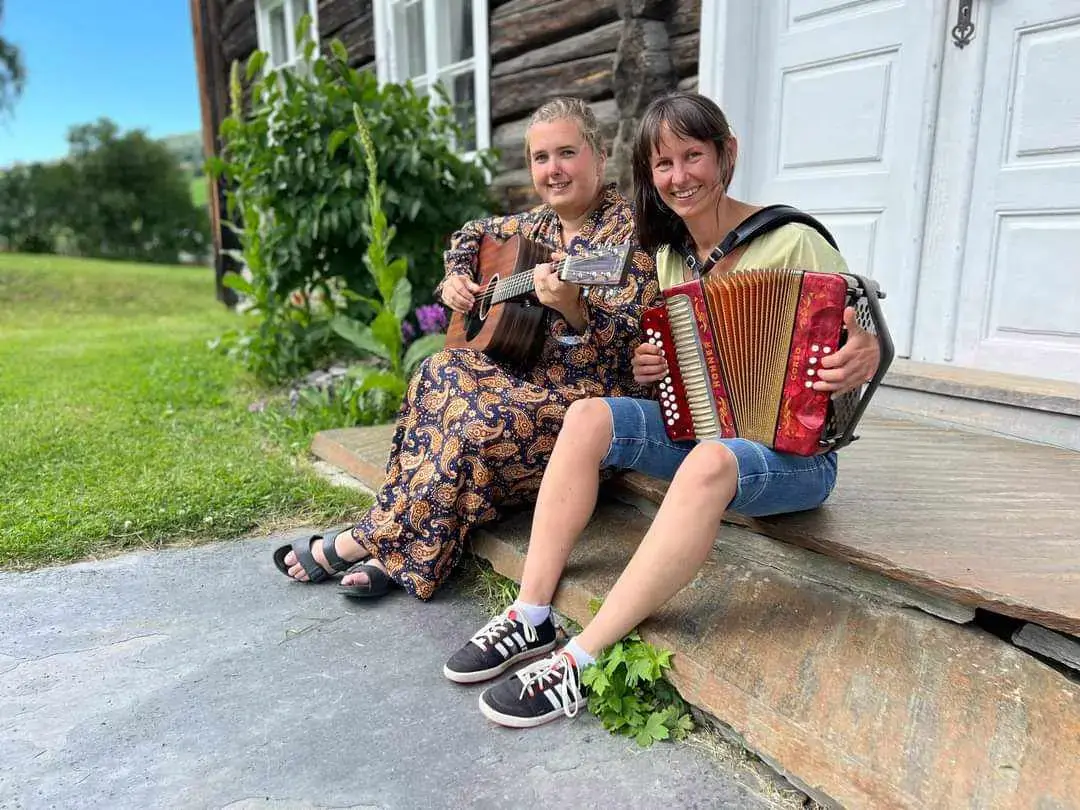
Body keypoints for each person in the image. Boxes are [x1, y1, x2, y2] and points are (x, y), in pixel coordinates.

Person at [442, 91, 882, 728]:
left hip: (798, 457)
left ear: (726, 155)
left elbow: (864, 319)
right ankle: (529, 615)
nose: (680, 177)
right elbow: (684, 353)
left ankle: (580, 661)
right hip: (708, 431)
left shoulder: (793, 241)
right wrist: (660, 368)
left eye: (693, 156)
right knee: (590, 415)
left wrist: (863, 349)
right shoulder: (671, 255)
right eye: (663, 164)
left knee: (708, 461)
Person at [273, 97, 659, 601]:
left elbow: (630, 356)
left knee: (476, 421)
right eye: (541, 158)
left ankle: (366, 537)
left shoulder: (631, 239)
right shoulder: (530, 228)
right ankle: (403, 553)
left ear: (599, 154)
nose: (554, 169)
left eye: (567, 152)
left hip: (587, 409)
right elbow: (470, 234)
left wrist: (574, 309)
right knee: (438, 369)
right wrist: (457, 277)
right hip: (520, 382)